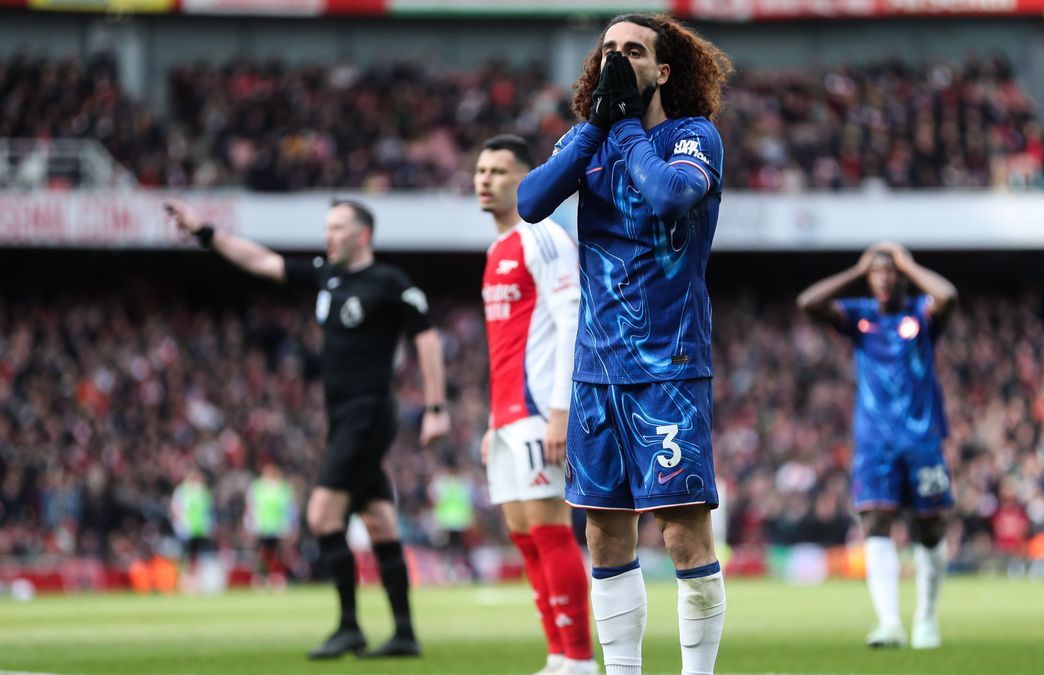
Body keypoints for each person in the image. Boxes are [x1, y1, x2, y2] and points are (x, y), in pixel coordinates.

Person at [517, 14, 733, 675]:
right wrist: (594, 127)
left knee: (680, 530)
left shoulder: (692, 137)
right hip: (594, 371)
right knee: (605, 530)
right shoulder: (588, 141)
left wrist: (624, 127)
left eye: (632, 51)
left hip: (668, 364)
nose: (616, 59)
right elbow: (530, 200)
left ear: (660, 71)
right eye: (607, 49)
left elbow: (670, 196)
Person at [164, 198, 450, 659]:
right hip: (341, 417)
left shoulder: (388, 282)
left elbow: (427, 337)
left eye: (337, 228)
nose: (327, 236)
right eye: (326, 227)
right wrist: (205, 234)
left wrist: (436, 406)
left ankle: (349, 627)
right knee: (378, 521)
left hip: (369, 412)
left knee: (321, 515)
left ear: (363, 235)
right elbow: (260, 260)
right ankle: (403, 634)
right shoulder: (325, 275)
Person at [797, 241, 958, 650]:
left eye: (892, 273)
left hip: (922, 438)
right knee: (874, 523)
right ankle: (889, 623)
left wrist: (909, 262)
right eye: (879, 273)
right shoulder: (859, 316)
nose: (884, 279)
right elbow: (807, 301)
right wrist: (858, 269)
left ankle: (926, 619)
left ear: (903, 277)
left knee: (930, 528)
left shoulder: (921, 312)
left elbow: (948, 296)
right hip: (874, 442)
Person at [475, 134, 594, 675]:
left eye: (500, 171)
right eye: (481, 170)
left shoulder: (540, 234)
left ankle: (578, 658)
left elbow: (571, 319)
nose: (485, 179)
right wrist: (491, 419)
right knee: (525, 537)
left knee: (549, 531)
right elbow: (506, 346)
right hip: (507, 416)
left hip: (539, 410)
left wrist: (560, 411)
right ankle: (555, 653)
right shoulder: (497, 249)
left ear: (524, 180)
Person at [244, 463, 297, 588]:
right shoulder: (258, 487)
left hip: (279, 527)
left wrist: (291, 526)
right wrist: (250, 524)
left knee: (279, 553)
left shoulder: (283, 488)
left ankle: (277, 576)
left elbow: (289, 509)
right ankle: (262, 577)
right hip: (263, 527)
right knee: (264, 553)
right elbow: (251, 507)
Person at [171, 468, 214, 592]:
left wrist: (208, 526)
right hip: (185, 529)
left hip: (199, 529)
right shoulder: (182, 491)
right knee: (185, 555)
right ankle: (184, 580)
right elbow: (176, 509)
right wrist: (179, 524)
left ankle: (194, 580)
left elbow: (208, 511)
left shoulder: (203, 492)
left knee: (195, 555)